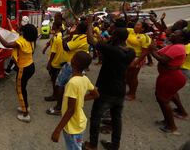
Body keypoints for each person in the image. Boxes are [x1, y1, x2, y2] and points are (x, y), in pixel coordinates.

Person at [84, 16, 136, 150]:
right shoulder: (131, 52)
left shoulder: (112, 50)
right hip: (120, 89)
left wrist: (89, 24)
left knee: (96, 116)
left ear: (116, 37)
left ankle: (92, 145)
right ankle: (114, 145)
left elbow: (90, 40)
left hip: (106, 89)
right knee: (116, 118)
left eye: (112, 34)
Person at [51, 51, 99, 150]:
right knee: (76, 146)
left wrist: (58, 130)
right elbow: (96, 94)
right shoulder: (85, 78)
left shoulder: (72, 83)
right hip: (79, 122)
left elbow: (71, 110)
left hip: (73, 127)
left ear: (73, 61)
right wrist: (81, 99)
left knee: (74, 148)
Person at [0, 23, 38, 123]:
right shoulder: (31, 41)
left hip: (23, 69)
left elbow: (6, 45)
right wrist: (9, 23)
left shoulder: (20, 41)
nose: (21, 31)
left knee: (19, 89)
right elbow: (16, 34)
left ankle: (25, 114)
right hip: (31, 66)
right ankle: (25, 107)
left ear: (25, 33)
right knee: (23, 88)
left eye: (23, 31)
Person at [150, 29, 190, 134]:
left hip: (171, 77)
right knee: (161, 97)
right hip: (167, 76)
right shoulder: (172, 46)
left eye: (175, 33)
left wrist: (152, 50)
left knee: (163, 100)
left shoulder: (178, 47)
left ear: (181, 38)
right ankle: (167, 120)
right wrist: (154, 48)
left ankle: (172, 127)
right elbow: (159, 53)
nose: (171, 34)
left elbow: (163, 60)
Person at [46, 21, 89, 116]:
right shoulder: (80, 37)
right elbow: (68, 40)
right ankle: (61, 103)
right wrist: (69, 35)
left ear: (79, 29)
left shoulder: (81, 39)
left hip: (72, 65)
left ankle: (59, 108)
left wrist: (63, 38)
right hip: (70, 63)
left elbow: (66, 47)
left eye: (76, 27)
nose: (74, 28)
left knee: (60, 84)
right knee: (63, 85)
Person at [125, 21, 151, 101]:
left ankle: (132, 94)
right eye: (136, 24)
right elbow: (120, 28)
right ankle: (129, 91)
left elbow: (145, 52)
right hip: (127, 56)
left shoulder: (145, 37)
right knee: (127, 76)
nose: (135, 25)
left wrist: (136, 62)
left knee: (133, 77)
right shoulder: (131, 31)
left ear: (142, 28)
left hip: (137, 58)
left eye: (138, 25)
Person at [44, 22, 65, 102]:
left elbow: (53, 52)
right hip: (58, 60)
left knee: (54, 80)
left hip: (55, 62)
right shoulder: (59, 35)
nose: (52, 26)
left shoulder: (57, 38)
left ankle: (55, 96)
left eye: (53, 25)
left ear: (57, 27)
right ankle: (55, 95)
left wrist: (49, 63)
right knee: (55, 80)